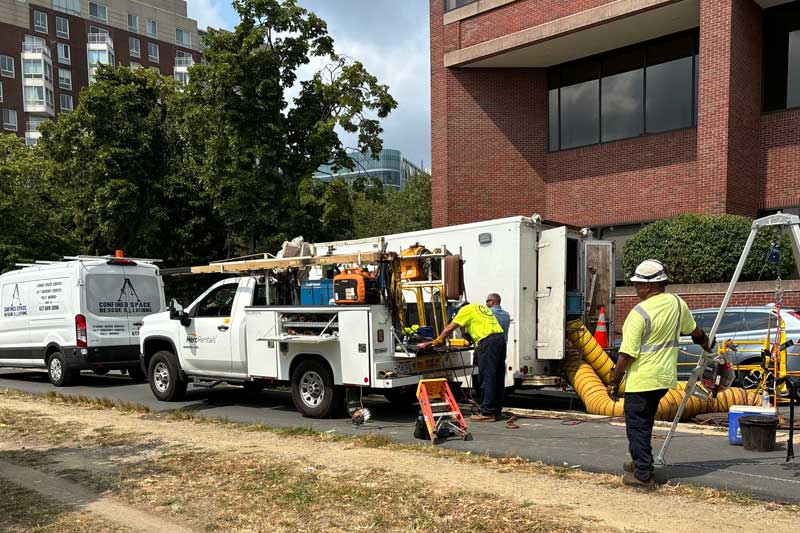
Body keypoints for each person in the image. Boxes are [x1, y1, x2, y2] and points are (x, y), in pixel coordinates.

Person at [610, 259, 713, 490]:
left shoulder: (639, 313)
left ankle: (643, 476)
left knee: (637, 425)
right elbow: (695, 332)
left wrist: (613, 379)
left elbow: (626, 355)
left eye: (637, 284)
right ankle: (640, 462)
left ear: (648, 287)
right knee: (644, 422)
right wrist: (708, 345)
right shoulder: (677, 304)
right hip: (664, 379)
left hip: (642, 380)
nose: (635, 289)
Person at [422, 302, 506, 421]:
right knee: (497, 376)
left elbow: (450, 328)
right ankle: (496, 411)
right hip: (499, 340)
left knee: (487, 377)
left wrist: (439, 339)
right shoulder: (478, 307)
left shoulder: (464, 311)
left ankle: (487, 412)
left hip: (488, 342)